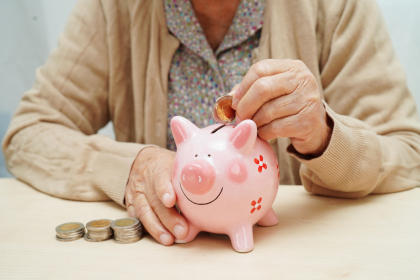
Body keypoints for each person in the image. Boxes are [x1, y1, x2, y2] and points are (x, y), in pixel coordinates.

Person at [3, 0, 420, 246]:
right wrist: (131, 168)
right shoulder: (117, 9)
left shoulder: (333, 8)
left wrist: (323, 137)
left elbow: (408, 151)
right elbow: (29, 134)